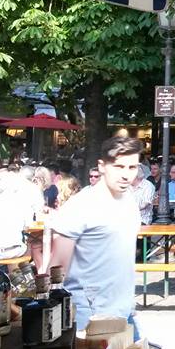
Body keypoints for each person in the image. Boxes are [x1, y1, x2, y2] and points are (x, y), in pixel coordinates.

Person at [48, 136, 143, 334]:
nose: (126, 175)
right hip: (89, 316)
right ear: (102, 166)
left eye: (132, 167)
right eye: (119, 166)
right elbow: (56, 270)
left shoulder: (129, 200)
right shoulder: (81, 206)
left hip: (125, 311)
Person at [0, 169, 36, 259]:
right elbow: (28, 226)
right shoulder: (22, 199)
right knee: (35, 243)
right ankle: (27, 267)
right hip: (14, 250)